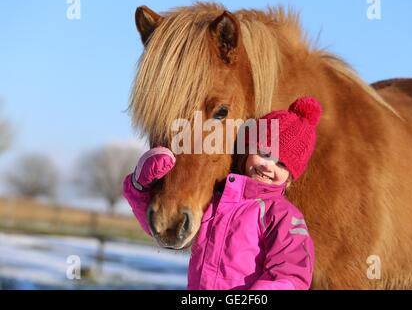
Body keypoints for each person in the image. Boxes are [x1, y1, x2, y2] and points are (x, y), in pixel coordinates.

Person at [123, 97, 322, 290]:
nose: (268, 166)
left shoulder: (282, 215)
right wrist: (139, 189)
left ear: (289, 179)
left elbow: (290, 275)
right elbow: (164, 228)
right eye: (264, 152)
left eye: (281, 164)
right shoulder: (217, 201)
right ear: (247, 150)